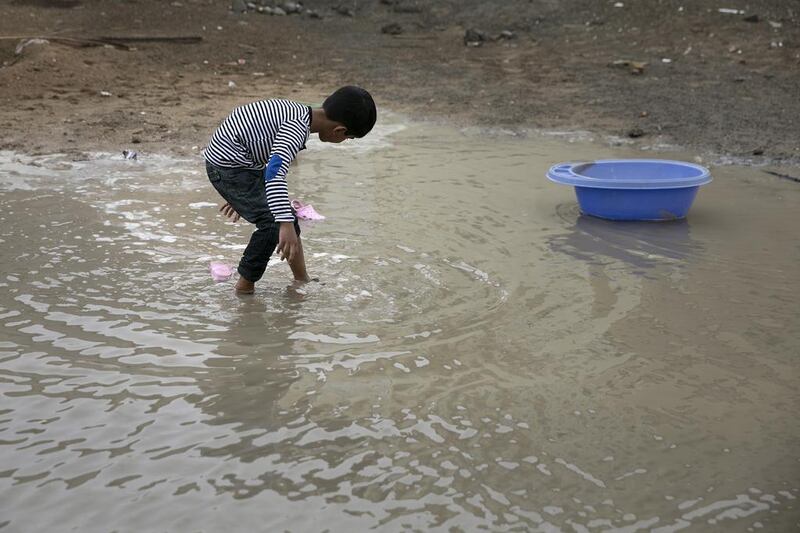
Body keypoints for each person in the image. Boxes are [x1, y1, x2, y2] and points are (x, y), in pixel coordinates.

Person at [204, 86, 377, 294]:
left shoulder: (299, 111)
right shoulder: (295, 130)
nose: (344, 141)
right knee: (273, 223)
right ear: (339, 131)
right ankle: (244, 287)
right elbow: (274, 174)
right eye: (348, 138)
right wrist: (283, 222)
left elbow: (259, 144)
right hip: (229, 166)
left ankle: (301, 279)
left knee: (284, 214)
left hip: (238, 160)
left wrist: (245, 196)